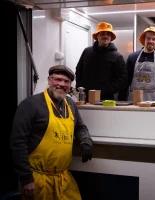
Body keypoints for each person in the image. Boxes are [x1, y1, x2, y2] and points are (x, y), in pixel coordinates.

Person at [10, 65, 93, 200]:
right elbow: (18, 143)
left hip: (63, 178)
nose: (61, 84)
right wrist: (26, 178)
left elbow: (80, 127)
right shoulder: (31, 105)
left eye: (66, 81)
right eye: (57, 80)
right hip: (37, 180)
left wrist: (86, 141)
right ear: (49, 80)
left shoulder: (70, 104)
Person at [75, 22, 127, 101]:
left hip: (106, 99)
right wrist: (80, 89)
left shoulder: (117, 57)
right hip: (85, 98)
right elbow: (79, 71)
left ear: (111, 37)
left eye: (108, 34)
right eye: (102, 34)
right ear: (97, 36)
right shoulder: (87, 52)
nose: (105, 36)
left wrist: (106, 91)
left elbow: (122, 80)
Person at [118, 26, 155, 101]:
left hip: (154, 100)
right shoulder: (132, 57)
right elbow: (125, 82)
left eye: (153, 39)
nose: (151, 41)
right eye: (148, 38)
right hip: (134, 99)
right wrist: (121, 101)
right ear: (144, 40)